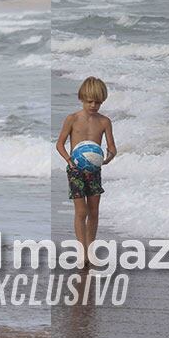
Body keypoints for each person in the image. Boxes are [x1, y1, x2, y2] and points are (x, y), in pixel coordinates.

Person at [56, 77, 117, 263]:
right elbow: (59, 144)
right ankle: (82, 251)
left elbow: (112, 147)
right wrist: (69, 160)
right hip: (75, 169)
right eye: (89, 101)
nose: (93, 105)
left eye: (98, 102)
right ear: (82, 98)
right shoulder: (72, 119)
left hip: (94, 170)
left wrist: (108, 157)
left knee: (94, 211)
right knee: (81, 212)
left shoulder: (105, 121)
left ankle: (91, 248)